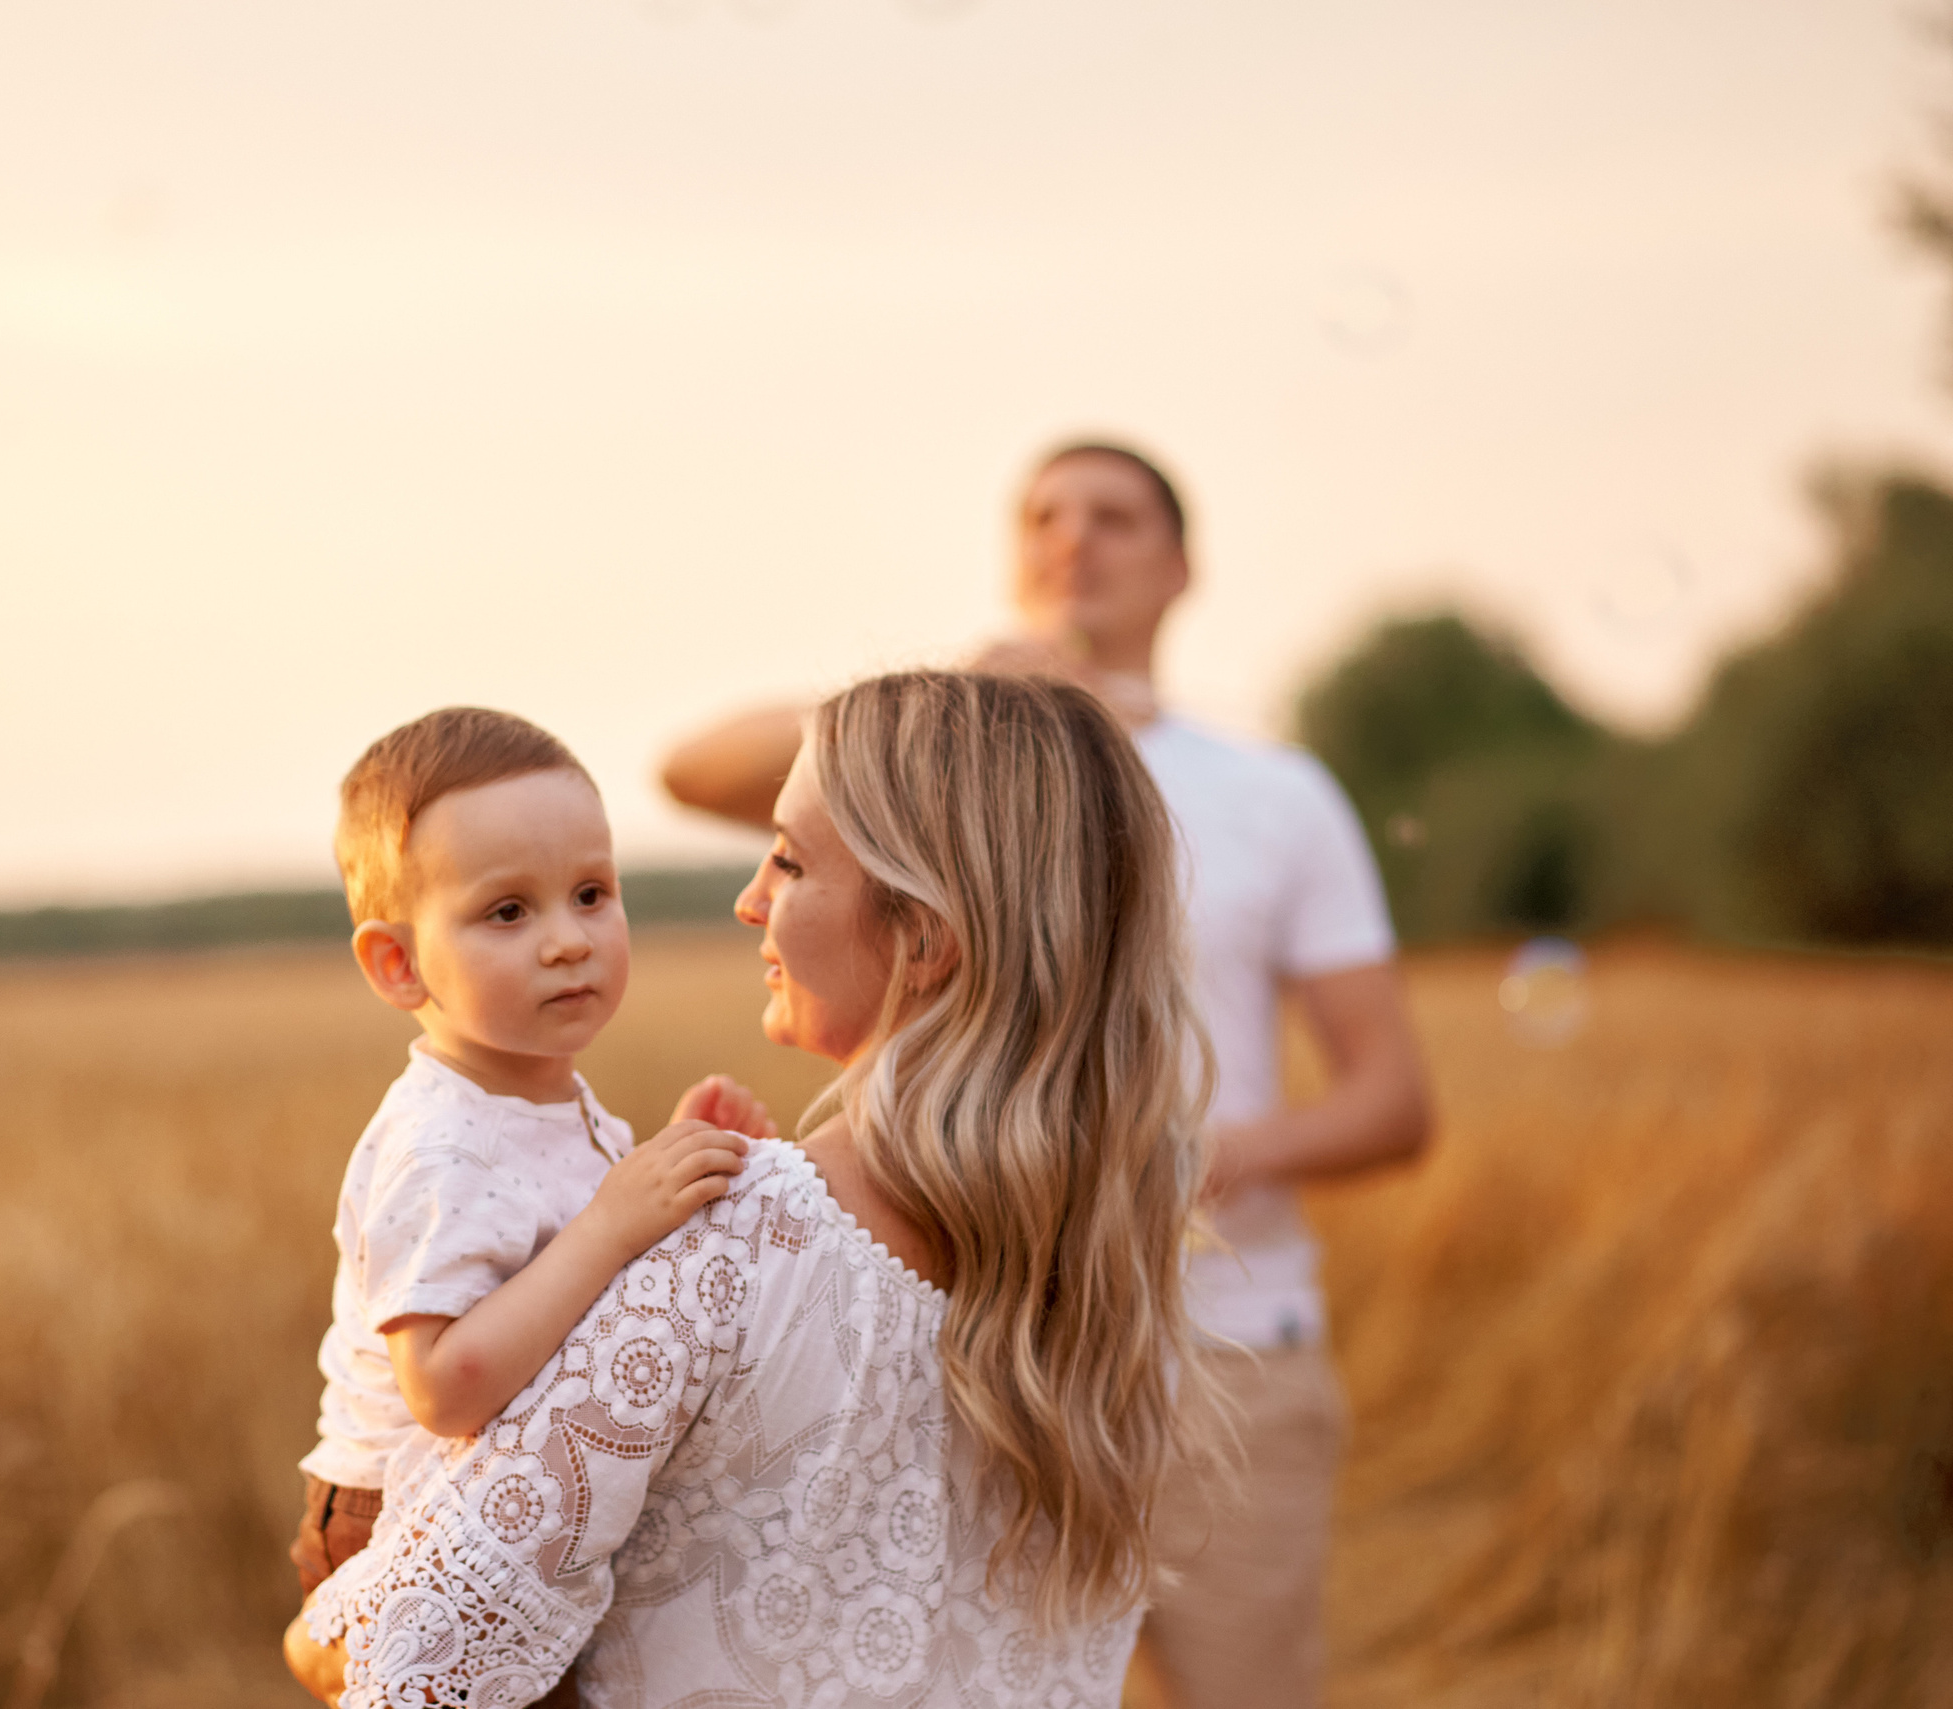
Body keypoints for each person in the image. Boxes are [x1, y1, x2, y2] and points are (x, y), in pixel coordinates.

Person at [658, 443, 1433, 1709]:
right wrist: (961, 696)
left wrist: (1187, 1158)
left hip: (1223, 1344)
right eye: (1044, 515)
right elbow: (691, 767)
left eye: (1116, 517)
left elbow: (1393, 1100)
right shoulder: (935, 773)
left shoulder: (1275, 794)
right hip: (981, 1333)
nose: (1075, 539)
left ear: (1182, 568)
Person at [288, 670, 1211, 1708]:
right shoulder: (1118, 1262)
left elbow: (393, 1660)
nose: (748, 899)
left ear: (923, 935)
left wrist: (322, 1640)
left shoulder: (735, 1242)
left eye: (786, 857)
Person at [292, 707, 778, 1617]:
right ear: (399, 964)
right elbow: (442, 1386)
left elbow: (556, 1254)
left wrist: (666, 1167)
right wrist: (612, 1221)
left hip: (487, 1491)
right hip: (396, 1511)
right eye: (508, 911)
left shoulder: (537, 1093)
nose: (567, 938)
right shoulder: (442, 1143)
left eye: (591, 893)